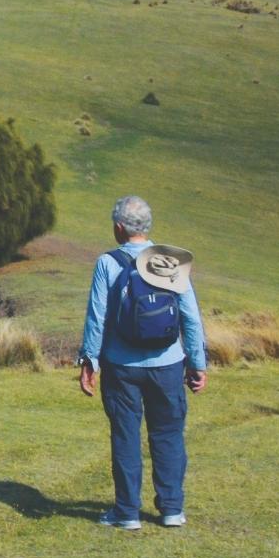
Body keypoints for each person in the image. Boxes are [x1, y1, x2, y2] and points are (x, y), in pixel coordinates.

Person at [78, 195, 206, 530]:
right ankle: (171, 509)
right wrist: (197, 362)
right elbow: (190, 317)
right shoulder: (170, 261)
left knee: (125, 436)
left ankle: (127, 512)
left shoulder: (108, 263)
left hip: (121, 366)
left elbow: (97, 318)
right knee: (168, 434)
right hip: (168, 364)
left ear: (119, 228)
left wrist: (89, 360)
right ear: (146, 227)